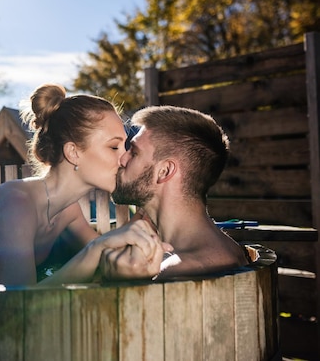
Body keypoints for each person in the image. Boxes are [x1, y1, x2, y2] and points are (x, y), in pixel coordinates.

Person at [0, 83, 170, 286]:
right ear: (73, 153)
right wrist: (96, 250)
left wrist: (153, 242)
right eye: (114, 146)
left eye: (125, 146)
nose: (124, 157)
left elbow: (106, 258)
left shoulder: (69, 211)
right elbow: (20, 302)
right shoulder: (16, 205)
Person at [99, 105, 250, 280]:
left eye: (134, 152)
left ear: (164, 171)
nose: (122, 159)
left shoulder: (178, 269)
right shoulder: (215, 250)